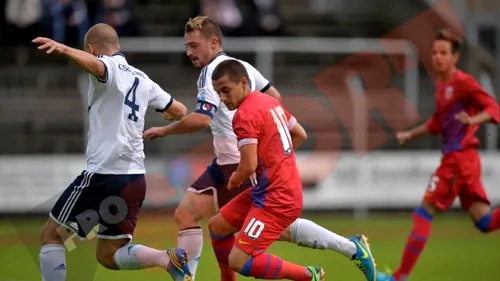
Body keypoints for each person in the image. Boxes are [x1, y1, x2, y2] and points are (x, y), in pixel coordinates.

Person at [143, 16, 377, 281]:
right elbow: (274, 98)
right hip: (225, 162)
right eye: (187, 46)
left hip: (239, 163)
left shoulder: (214, 75)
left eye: (194, 45)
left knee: (271, 229)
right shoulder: (241, 67)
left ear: (214, 42)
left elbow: (203, 118)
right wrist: (274, 142)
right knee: (200, 219)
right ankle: (195, 277)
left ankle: (339, 254)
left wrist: (164, 130)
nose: (189, 52)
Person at [33, 23, 192, 281]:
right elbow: (181, 110)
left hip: (103, 177)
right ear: (118, 46)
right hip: (134, 181)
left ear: (91, 49)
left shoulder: (108, 66)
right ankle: (166, 259)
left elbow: (98, 67)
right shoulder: (143, 78)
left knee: (52, 235)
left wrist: (63, 48)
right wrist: (167, 114)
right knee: (108, 254)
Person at [376, 29, 500, 281]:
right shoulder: (442, 86)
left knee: (424, 212)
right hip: (464, 161)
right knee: (484, 223)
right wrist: (410, 135)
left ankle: (400, 277)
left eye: (443, 53)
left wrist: (473, 118)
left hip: (458, 160)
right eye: (434, 53)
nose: (437, 57)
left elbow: (493, 108)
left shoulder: (464, 83)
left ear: (455, 57)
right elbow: (437, 123)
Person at [208, 58, 324, 281]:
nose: (222, 98)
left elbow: (248, 166)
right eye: (218, 93)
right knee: (217, 226)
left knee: (238, 261)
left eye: (225, 90)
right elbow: (300, 134)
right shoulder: (269, 101)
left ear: (243, 82)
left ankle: (309, 276)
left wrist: (234, 179)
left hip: (277, 198)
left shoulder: (244, 115)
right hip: (271, 189)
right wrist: (277, 158)